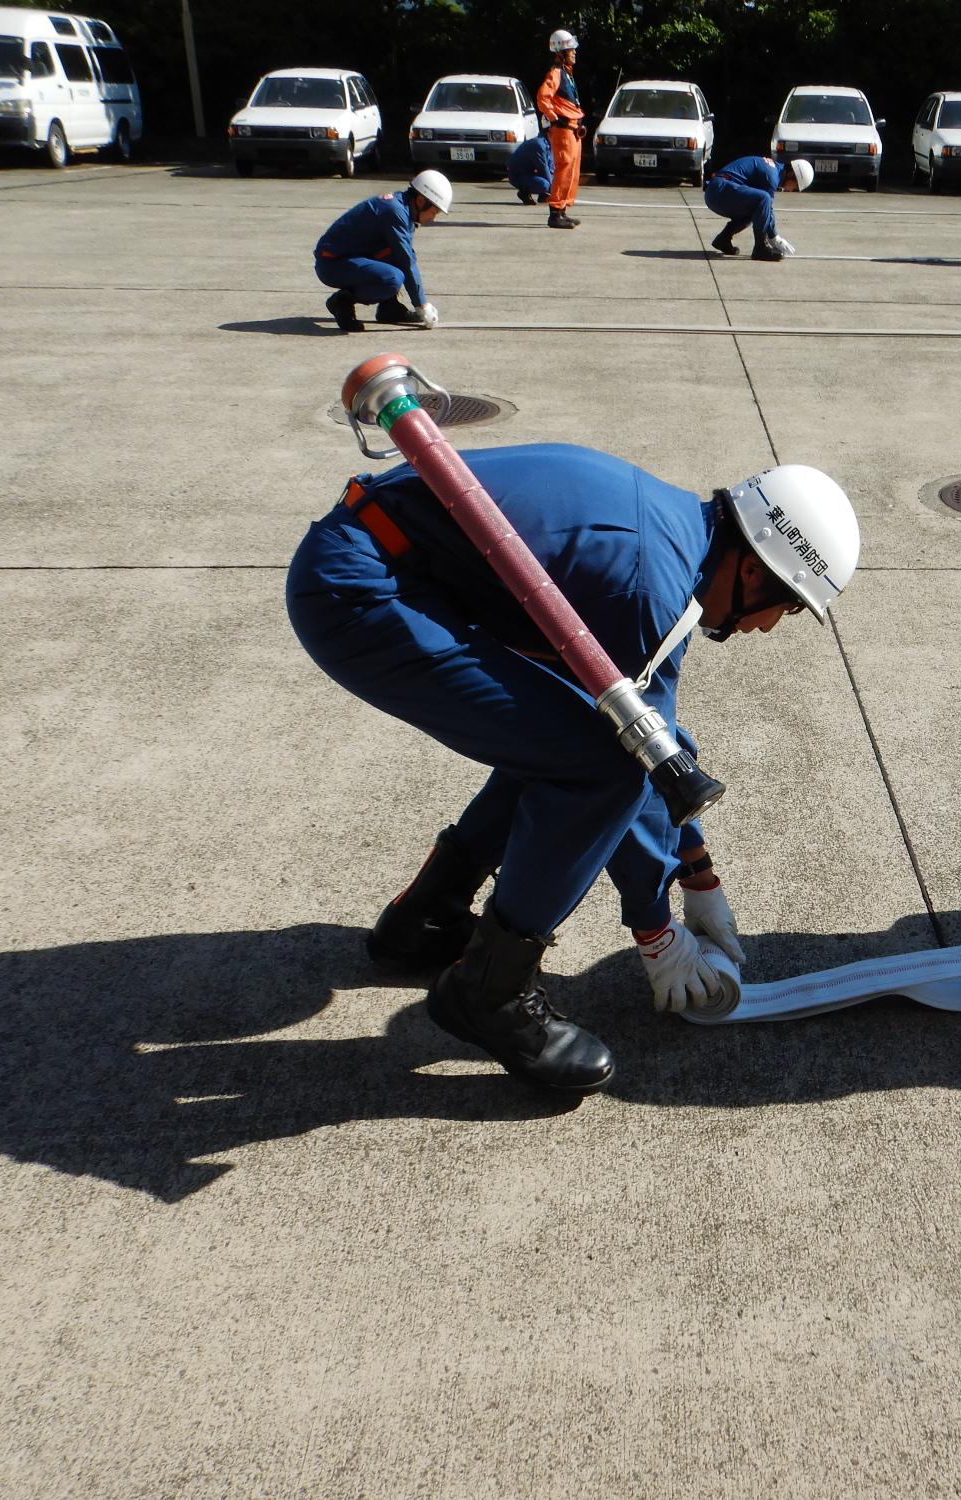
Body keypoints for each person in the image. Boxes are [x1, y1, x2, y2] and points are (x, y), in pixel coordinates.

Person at [286, 447, 862, 1093]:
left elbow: (659, 736)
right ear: (754, 573)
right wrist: (656, 931)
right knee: (599, 767)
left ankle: (427, 917)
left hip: (385, 564)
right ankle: (489, 993)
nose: (768, 628)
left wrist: (698, 874)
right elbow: (638, 762)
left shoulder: (670, 537)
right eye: (784, 607)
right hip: (362, 592)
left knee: (564, 736)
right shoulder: (648, 588)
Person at [315, 171, 450, 333]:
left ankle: (389, 308)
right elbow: (406, 262)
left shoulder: (403, 208)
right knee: (393, 278)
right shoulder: (395, 211)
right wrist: (421, 305)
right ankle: (342, 301)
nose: (433, 219)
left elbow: (404, 256)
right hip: (333, 264)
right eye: (434, 212)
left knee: (395, 255)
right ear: (421, 201)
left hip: (349, 259)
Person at [704, 155, 813, 260]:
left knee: (756, 208)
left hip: (717, 192)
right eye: (795, 188)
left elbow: (763, 211)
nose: (791, 190)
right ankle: (760, 248)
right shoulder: (771, 176)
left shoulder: (773, 170)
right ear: (791, 175)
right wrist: (775, 237)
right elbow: (767, 206)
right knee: (764, 199)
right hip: (719, 191)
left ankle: (723, 239)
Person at [534, 29, 585, 229]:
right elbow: (542, 97)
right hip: (563, 129)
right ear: (561, 52)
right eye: (571, 49)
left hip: (573, 128)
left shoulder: (567, 74)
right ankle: (555, 213)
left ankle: (562, 209)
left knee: (572, 169)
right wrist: (555, 118)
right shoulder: (555, 73)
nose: (574, 52)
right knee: (563, 168)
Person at [506, 131, 554, 204]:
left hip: (531, 173)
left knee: (557, 181)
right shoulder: (538, 144)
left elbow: (551, 167)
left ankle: (544, 194)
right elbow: (543, 168)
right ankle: (524, 192)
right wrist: (553, 189)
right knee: (545, 185)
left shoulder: (549, 144)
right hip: (519, 175)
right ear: (549, 133)